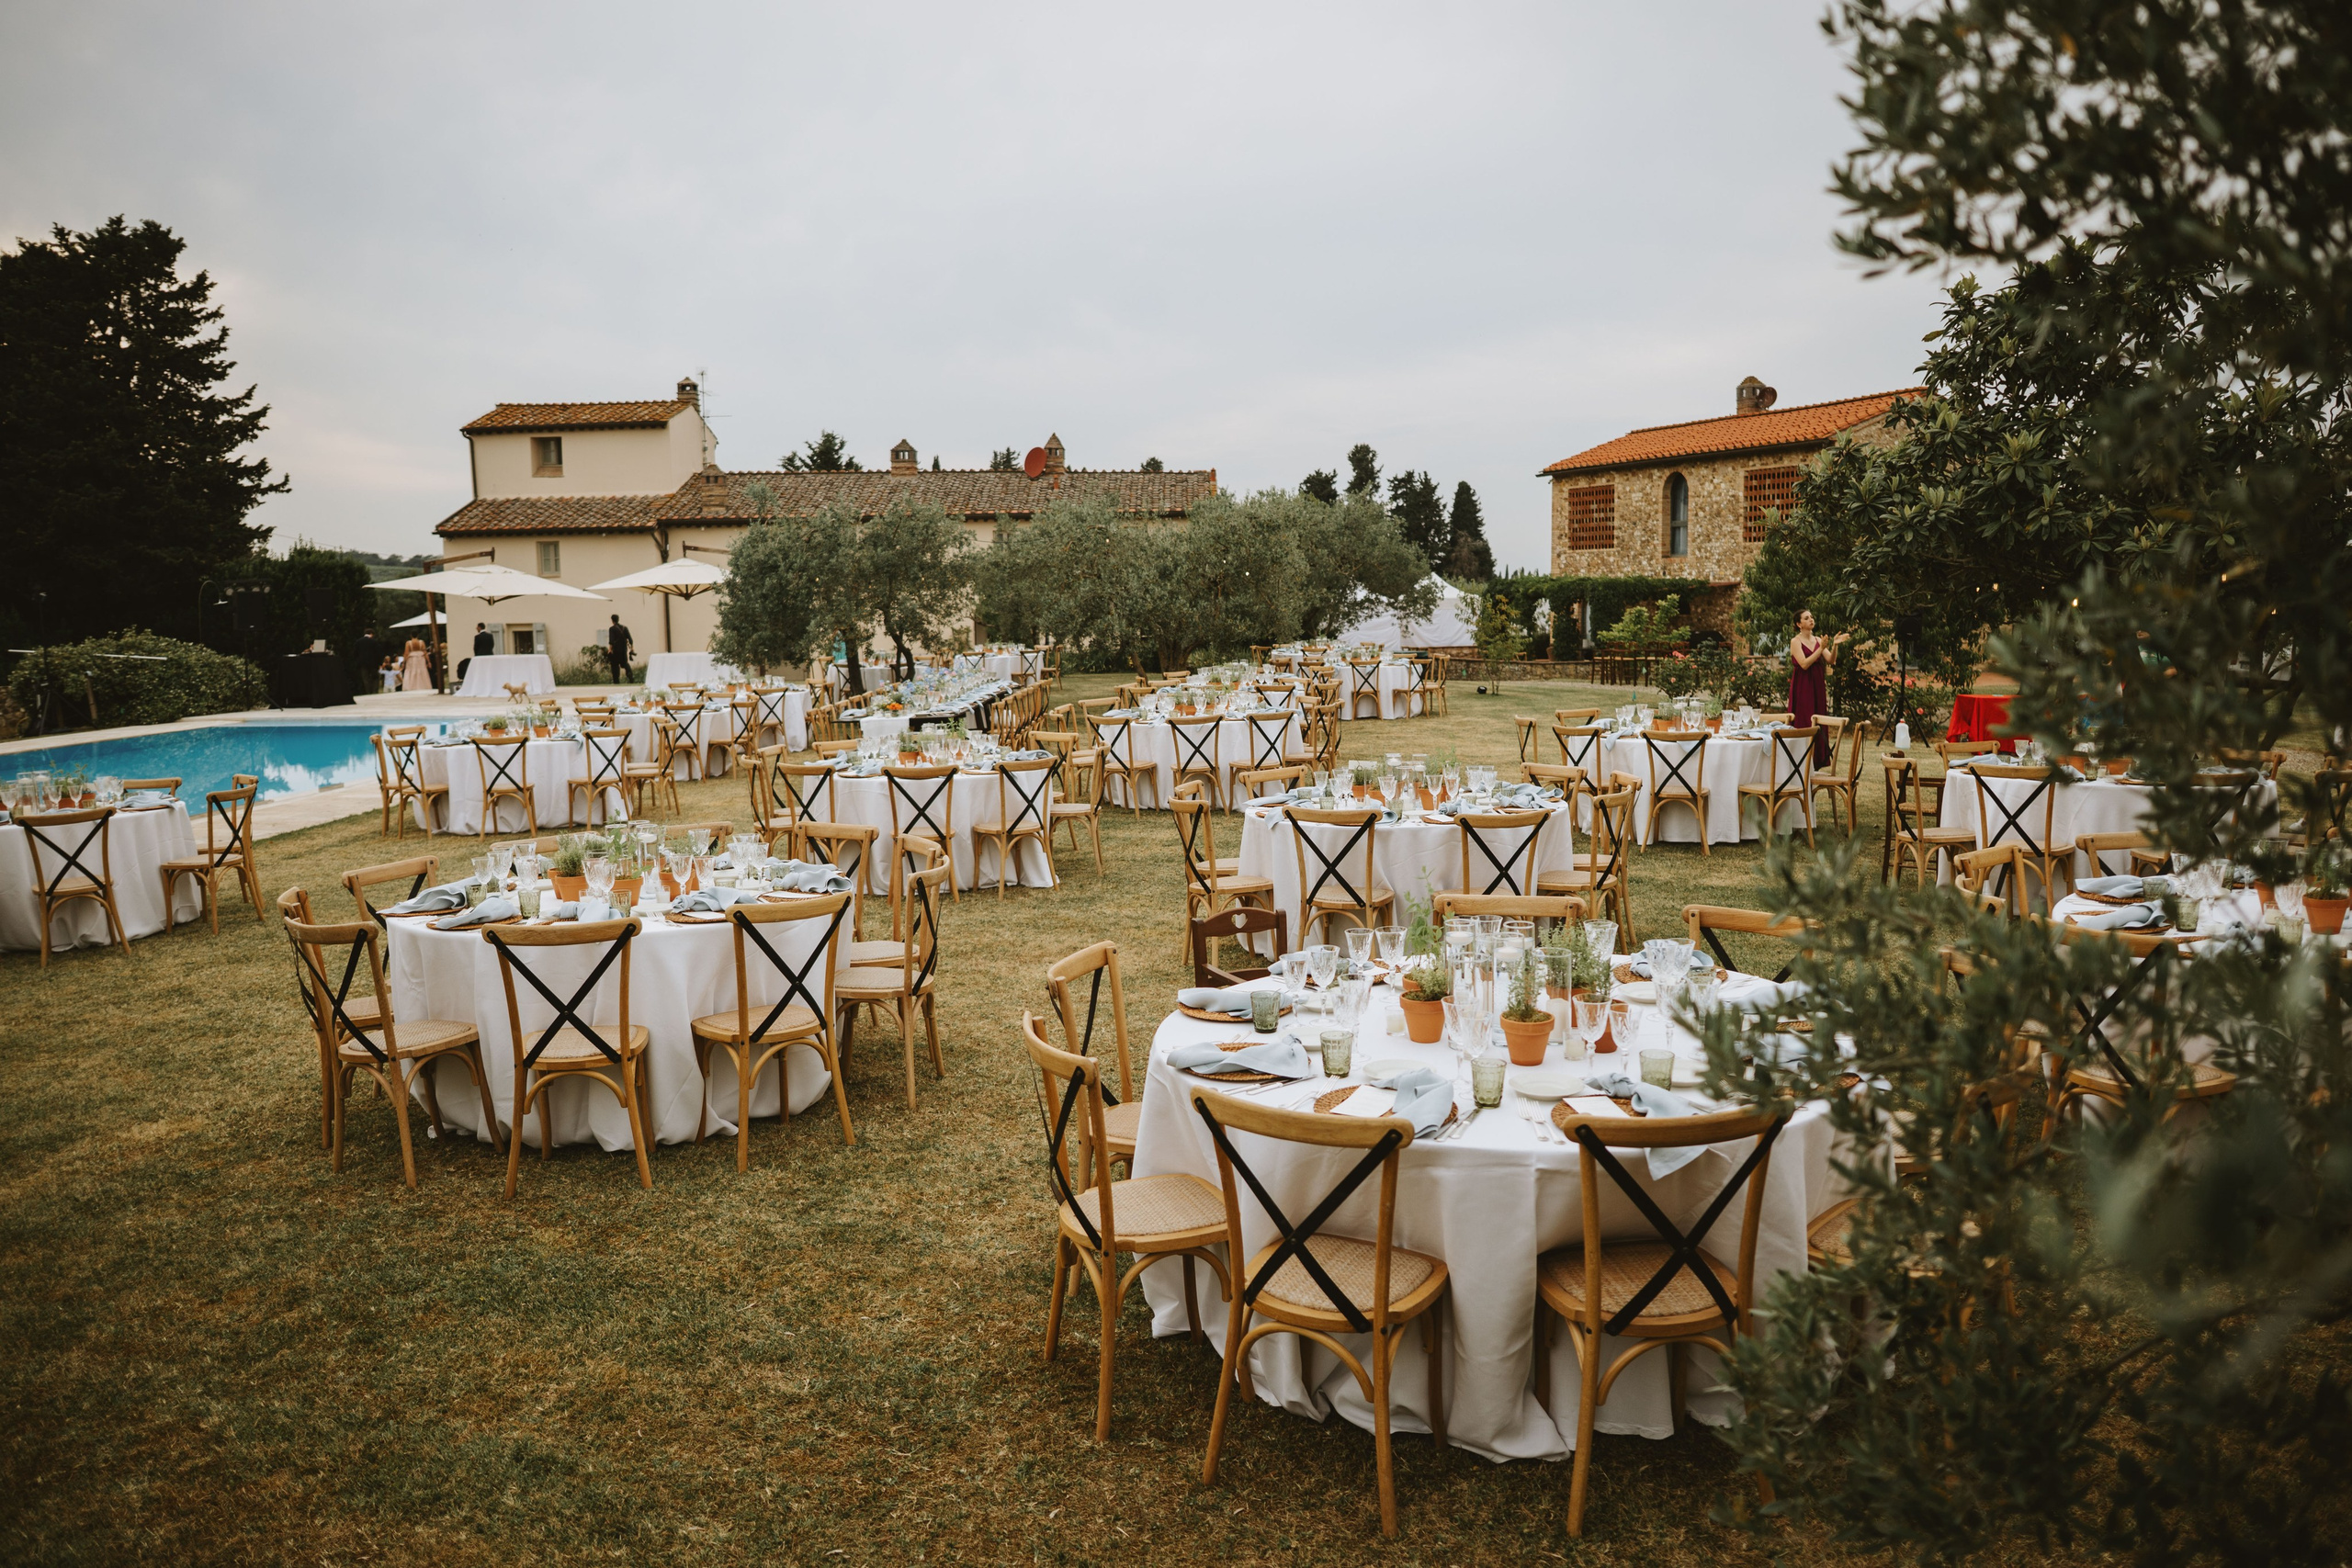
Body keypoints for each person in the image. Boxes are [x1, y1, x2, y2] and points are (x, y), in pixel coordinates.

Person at [1786, 608, 1848, 765]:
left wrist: (1835, 645)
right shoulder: (1795, 642)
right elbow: (1804, 664)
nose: (1811, 620)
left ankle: (1816, 760)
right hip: (1803, 686)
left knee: (1818, 718)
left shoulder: (1819, 641)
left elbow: (1831, 660)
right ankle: (1800, 760)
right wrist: (1820, 650)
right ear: (1799, 624)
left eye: (1812, 617)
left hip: (1817, 685)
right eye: (1806, 618)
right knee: (1804, 719)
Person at [606, 615, 634, 683]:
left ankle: (616, 680)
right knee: (625, 663)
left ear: (612, 620)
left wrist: (610, 650)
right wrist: (632, 648)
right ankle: (630, 676)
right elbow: (630, 639)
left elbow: (611, 641)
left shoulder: (612, 629)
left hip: (616, 650)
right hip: (624, 649)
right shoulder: (625, 628)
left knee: (615, 665)